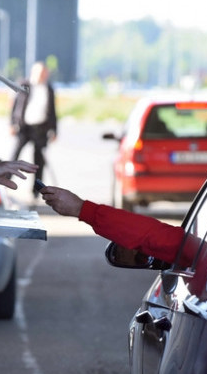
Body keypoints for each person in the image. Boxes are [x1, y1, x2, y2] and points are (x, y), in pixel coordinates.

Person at [39, 185, 189, 265]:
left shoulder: (200, 253)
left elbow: (165, 240)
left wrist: (82, 209)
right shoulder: (205, 254)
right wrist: (82, 209)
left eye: (138, 258)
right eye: (140, 258)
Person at [10, 61, 58, 197]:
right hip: (24, 127)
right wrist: (12, 123)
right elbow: (15, 106)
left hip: (41, 128)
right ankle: (5, 182)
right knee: (15, 156)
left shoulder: (49, 88)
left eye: (45, 73)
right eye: (40, 73)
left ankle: (37, 190)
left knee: (39, 161)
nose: (43, 75)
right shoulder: (24, 85)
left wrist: (54, 130)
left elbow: (53, 111)